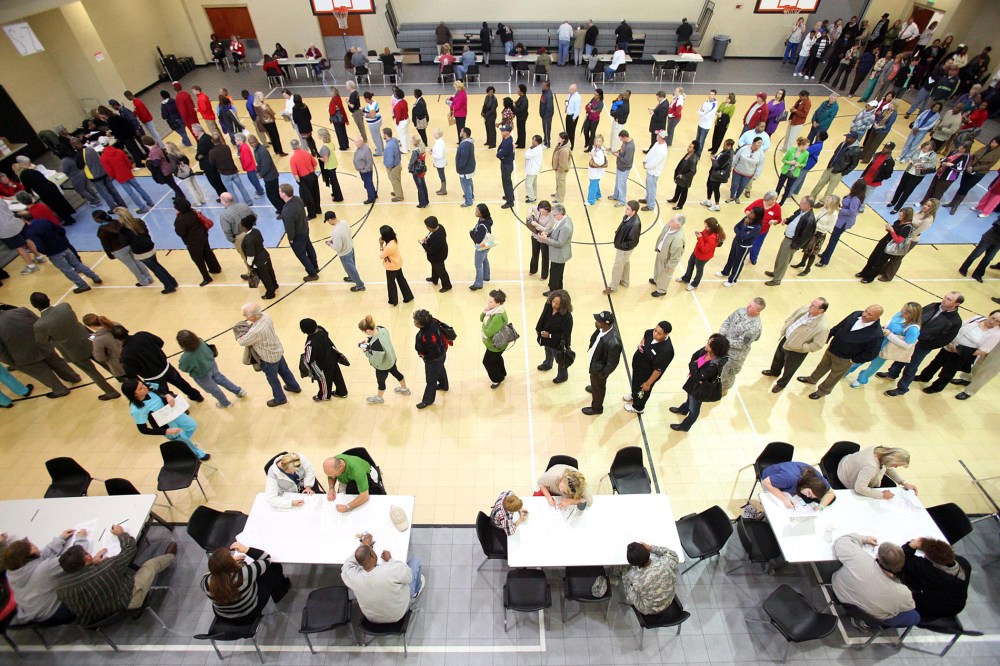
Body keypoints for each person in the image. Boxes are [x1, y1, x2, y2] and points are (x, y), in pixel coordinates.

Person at [57, 525, 176, 627]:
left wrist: (92, 565)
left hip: (95, 621)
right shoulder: (107, 567)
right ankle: (169, 556)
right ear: (87, 557)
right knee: (150, 565)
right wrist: (121, 533)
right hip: (125, 604)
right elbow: (130, 549)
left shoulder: (61, 589)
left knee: (116, 578)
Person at [29, 293, 120, 401]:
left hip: (71, 351)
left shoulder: (39, 325)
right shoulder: (65, 307)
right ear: (48, 299)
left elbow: (42, 341)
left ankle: (111, 392)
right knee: (106, 363)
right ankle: (122, 378)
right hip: (87, 341)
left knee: (92, 372)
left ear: (34, 306)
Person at [797, 305, 884, 399]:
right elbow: (840, 325)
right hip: (832, 349)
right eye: (866, 311)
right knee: (822, 366)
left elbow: (871, 354)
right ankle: (812, 379)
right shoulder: (856, 314)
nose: (865, 314)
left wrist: (853, 360)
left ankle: (822, 391)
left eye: (869, 314)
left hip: (845, 359)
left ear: (876, 318)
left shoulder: (876, 334)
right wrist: (829, 335)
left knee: (834, 376)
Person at [832, 534, 918, 629]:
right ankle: (867, 624)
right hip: (870, 614)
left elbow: (842, 541)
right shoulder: (903, 593)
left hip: (839, 593)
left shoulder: (860, 558)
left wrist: (864, 539)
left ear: (878, 556)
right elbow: (908, 607)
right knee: (914, 616)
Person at [342, 532, 423, 626]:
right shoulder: (390, 570)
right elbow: (408, 577)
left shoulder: (353, 577)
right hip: (398, 614)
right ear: (373, 555)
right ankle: (415, 592)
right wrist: (391, 560)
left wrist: (363, 547)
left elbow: (346, 566)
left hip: (372, 619)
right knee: (414, 563)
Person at [4, 530, 80, 625]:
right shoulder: (44, 569)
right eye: (31, 546)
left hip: (34, 612)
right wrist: (81, 539)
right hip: (56, 612)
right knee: (82, 574)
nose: (35, 545)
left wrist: (60, 539)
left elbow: (41, 556)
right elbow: (77, 558)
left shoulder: (13, 571)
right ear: (27, 556)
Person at [121, 377, 209, 459]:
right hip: (166, 425)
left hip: (172, 412)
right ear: (134, 394)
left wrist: (167, 395)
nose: (145, 387)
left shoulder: (148, 386)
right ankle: (198, 454)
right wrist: (166, 431)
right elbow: (143, 429)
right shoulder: (137, 410)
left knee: (192, 425)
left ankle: (182, 444)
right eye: (140, 388)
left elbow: (161, 389)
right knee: (182, 437)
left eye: (142, 384)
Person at [202, 543, 290, 623]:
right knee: (272, 568)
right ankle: (279, 593)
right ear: (229, 564)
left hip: (224, 617)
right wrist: (246, 550)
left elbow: (212, 573)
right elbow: (266, 559)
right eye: (231, 557)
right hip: (249, 614)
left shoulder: (205, 582)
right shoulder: (243, 575)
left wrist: (230, 564)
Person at [916, 310, 1000, 393]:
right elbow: (960, 327)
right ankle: (924, 377)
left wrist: (959, 351)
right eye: (993, 318)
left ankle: (936, 387)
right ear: (989, 315)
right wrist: (949, 341)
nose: (993, 322)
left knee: (948, 371)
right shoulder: (977, 318)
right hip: (950, 345)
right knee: (936, 362)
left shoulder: (996, 334)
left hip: (962, 354)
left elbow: (983, 351)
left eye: (997, 321)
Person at [236, 303, 301, 408]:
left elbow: (242, 342)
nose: (245, 317)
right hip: (277, 350)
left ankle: (280, 398)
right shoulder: (266, 316)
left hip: (268, 358)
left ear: (252, 317)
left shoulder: (255, 331)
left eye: (245, 315)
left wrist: (240, 334)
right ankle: (294, 386)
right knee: (285, 371)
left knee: (273, 379)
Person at [763, 298, 830, 394]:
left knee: (789, 368)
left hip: (797, 350)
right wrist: (787, 325)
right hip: (786, 339)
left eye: (814, 306)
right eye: (811, 303)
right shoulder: (804, 309)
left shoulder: (822, 327)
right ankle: (774, 371)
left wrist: (801, 347)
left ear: (821, 311)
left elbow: (817, 345)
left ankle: (781, 384)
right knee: (778, 357)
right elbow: (792, 317)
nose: (810, 306)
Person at [848, 302, 922, 389]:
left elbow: (907, 346)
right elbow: (891, 321)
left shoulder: (913, 329)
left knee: (874, 366)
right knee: (862, 357)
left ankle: (861, 379)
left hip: (886, 347)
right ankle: (847, 371)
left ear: (913, 315)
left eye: (906, 312)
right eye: (903, 310)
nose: (902, 313)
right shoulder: (900, 314)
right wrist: (885, 327)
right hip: (878, 341)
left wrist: (890, 335)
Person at [23, 214, 101, 294]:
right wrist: (62, 240)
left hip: (54, 253)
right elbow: (60, 230)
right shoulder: (44, 221)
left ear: (23, 220)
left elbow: (39, 246)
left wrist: (46, 252)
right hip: (63, 246)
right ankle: (95, 277)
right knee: (77, 264)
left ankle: (83, 286)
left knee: (68, 270)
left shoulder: (31, 231)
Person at [670, 334, 729, 432]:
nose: (706, 345)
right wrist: (694, 367)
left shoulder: (714, 365)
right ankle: (683, 410)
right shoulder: (706, 350)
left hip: (700, 388)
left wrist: (693, 365)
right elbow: (694, 356)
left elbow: (697, 374)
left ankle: (685, 426)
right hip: (695, 382)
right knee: (689, 397)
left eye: (709, 344)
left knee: (694, 408)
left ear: (715, 350)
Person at [901, 537, 970, 620]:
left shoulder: (929, 571)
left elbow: (903, 559)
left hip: (933, 610)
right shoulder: (963, 563)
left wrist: (912, 545)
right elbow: (942, 553)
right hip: (957, 604)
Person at [176, 329, 245, 409]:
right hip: (212, 366)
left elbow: (183, 368)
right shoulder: (200, 341)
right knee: (222, 379)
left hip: (201, 375)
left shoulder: (185, 357)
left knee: (214, 389)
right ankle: (239, 391)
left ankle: (225, 403)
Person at [92, 210, 154, 287]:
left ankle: (143, 281)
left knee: (131, 265)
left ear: (98, 219)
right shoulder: (117, 222)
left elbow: (105, 244)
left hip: (118, 250)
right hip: (129, 245)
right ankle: (149, 278)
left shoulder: (102, 230)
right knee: (138, 262)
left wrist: (109, 254)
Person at [624, 321, 674, 415]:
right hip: (638, 367)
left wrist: (648, 383)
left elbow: (658, 370)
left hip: (648, 374)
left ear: (666, 334)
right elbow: (644, 338)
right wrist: (641, 343)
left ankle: (638, 407)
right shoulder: (649, 332)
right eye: (655, 330)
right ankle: (634, 395)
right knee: (636, 382)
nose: (655, 334)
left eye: (659, 333)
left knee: (643, 388)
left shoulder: (667, 351)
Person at [357, 315, 409, 405]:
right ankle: (405, 389)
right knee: (397, 373)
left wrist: (365, 351)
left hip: (383, 367)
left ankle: (379, 398)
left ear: (368, 331)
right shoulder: (381, 328)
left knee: (381, 382)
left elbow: (376, 361)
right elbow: (377, 337)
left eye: (364, 332)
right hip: (391, 359)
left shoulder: (376, 345)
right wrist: (368, 338)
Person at [618, 542, 679, 615]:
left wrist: (625, 574)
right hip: (668, 600)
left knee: (625, 575)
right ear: (647, 552)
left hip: (649, 609)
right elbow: (673, 555)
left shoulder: (635, 579)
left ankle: (616, 576)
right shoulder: (665, 563)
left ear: (633, 564)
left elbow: (630, 590)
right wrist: (651, 548)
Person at [718, 298, 765, 392]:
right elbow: (728, 320)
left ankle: (723, 390)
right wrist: (722, 333)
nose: (747, 306)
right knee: (719, 368)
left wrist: (724, 341)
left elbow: (741, 344)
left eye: (751, 306)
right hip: (724, 346)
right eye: (749, 303)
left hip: (734, 355)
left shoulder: (754, 327)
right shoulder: (741, 311)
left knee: (727, 374)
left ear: (757, 311)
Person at [856, 208, 913, 284]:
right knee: (872, 258)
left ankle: (870, 277)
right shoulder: (898, 221)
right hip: (884, 241)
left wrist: (892, 231)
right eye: (900, 214)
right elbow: (892, 230)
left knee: (879, 263)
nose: (899, 216)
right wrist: (889, 228)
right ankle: (864, 272)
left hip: (889, 246)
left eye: (902, 216)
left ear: (907, 216)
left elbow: (898, 240)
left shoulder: (907, 227)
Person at [944, 137, 1000, 213]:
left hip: (978, 173)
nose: (992, 143)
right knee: (962, 186)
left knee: (965, 188)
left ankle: (955, 205)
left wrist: (973, 169)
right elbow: (972, 156)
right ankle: (952, 203)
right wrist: (969, 166)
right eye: (992, 141)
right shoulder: (984, 148)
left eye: (995, 143)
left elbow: (988, 166)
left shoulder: (997, 154)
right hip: (968, 169)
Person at [583, 310, 622, 416]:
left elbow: (612, 364)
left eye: (599, 321)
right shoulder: (602, 329)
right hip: (596, 363)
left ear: (606, 323)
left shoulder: (613, 342)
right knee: (595, 383)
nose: (596, 322)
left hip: (599, 369)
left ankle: (597, 408)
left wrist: (601, 375)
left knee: (599, 387)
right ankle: (594, 386)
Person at [277, 184, 319, 282]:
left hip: (297, 235)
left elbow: (289, 227)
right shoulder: (298, 199)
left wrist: (290, 238)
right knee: (309, 248)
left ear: (284, 194)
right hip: (304, 229)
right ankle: (315, 267)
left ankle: (312, 274)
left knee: (301, 254)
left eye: (279, 191)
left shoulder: (287, 211)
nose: (278, 193)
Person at [300, 318, 348, 401]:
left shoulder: (310, 344)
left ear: (304, 331)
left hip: (322, 365)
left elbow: (309, 359)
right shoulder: (321, 329)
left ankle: (324, 396)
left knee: (324, 380)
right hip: (332, 357)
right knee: (337, 375)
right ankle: (342, 392)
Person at [717, 206, 763, 287]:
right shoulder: (746, 218)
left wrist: (744, 226)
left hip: (744, 246)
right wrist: (741, 232)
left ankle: (732, 280)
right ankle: (725, 272)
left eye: (752, 213)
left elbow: (744, 237)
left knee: (738, 262)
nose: (749, 213)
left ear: (757, 216)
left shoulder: (756, 227)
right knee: (731, 257)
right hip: (736, 241)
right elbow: (736, 227)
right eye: (750, 211)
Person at [412, 309, 449, 410]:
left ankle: (427, 400)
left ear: (421, 324)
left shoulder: (427, 335)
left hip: (434, 360)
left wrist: (426, 357)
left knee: (431, 381)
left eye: (415, 321)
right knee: (440, 368)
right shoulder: (433, 321)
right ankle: (443, 385)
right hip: (442, 353)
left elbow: (435, 353)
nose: (414, 322)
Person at [889, 142, 939, 214]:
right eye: (923, 148)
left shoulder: (933, 155)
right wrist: (910, 160)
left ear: (931, 149)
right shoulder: (918, 150)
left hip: (918, 175)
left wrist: (920, 164)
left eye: (926, 149)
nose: (924, 150)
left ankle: (897, 208)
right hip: (909, 171)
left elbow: (932, 166)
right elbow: (909, 156)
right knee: (900, 187)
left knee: (907, 191)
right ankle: (893, 202)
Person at [536, 289, 573, 384]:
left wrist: (550, 335)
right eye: (553, 302)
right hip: (546, 337)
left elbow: (565, 335)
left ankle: (563, 376)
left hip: (558, 341)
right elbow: (542, 317)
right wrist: (538, 330)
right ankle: (548, 364)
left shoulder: (567, 317)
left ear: (564, 304)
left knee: (560, 359)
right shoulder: (548, 305)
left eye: (557, 303)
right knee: (547, 350)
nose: (554, 305)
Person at [678, 217, 724, 291]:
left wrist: (699, 238)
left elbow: (704, 249)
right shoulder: (707, 230)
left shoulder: (713, 237)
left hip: (703, 257)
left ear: (711, 227)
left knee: (699, 269)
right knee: (690, 263)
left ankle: (695, 283)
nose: (705, 228)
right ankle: (686, 278)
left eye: (706, 226)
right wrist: (700, 234)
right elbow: (703, 234)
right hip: (696, 251)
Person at [761, 462, 834, 508]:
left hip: (785, 481)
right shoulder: (790, 478)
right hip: (770, 480)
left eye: (811, 496)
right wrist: (785, 500)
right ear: (807, 484)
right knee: (776, 507)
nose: (808, 496)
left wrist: (820, 507)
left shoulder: (818, 479)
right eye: (809, 493)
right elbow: (766, 482)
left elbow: (830, 493)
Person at [606, 201, 641, 294]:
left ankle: (613, 287)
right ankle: (625, 281)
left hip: (624, 249)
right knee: (625, 262)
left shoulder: (635, 224)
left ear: (633, 211)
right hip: (624, 247)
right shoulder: (627, 217)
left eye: (628, 209)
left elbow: (633, 241)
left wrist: (621, 246)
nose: (626, 210)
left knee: (618, 266)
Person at [538, 203, 574, 294]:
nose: (553, 217)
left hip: (559, 254)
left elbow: (560, 243)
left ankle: (553, 291)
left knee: (555, 274)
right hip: (558, 254)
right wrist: (547, 232)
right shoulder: (562, 220)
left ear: (560, 214)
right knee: (557, 273)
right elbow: (555, 231)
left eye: (554, 215)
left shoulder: (565, 226)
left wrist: (546, 239)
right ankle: (557, 288)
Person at [480, 290, 511, 389]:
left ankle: (497, 379)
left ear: (498, 303)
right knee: (496, 358)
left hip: (495, 346)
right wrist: (484, 312)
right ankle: (502, 373)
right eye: (488, 300)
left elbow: (488, 332)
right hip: (498, 343)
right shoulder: (494, 310)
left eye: (491, 302)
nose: (488, 303)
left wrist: (483, 326)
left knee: (487, 362)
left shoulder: (497, 316)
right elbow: (482, 318)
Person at [650, 214, 686, 297]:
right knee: (658, 268)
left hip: (667, 259)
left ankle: (661, 290)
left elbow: (676, 257)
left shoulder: (678, 239)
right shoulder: (669, 226)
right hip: (661, 252)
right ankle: (656, 280)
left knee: (665, 274)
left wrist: (670, 266)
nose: (669, 220)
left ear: (678, 225)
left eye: (672, 220)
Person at [378, 225, 413, 306]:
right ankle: (408, 296)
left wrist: (380, 245)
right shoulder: (394, 240)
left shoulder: (389, 247)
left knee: (391, 283)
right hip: (397, 263)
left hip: (391, 267)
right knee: (401, 280)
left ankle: (393, 300)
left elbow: (381, 256)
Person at [960, 216, 1000, 282]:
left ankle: (977, 274)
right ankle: (963, 268)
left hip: (998, 242)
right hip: (989, 238)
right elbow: (997, 225)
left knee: (989, 258)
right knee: (976, 254)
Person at [728, 137, 766, 205]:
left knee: (742, 186)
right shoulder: (744, 148)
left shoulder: (761, 154)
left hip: (748, 174)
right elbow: (736, 157)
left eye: (761, 144)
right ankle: (731, 196)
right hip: (738, 170)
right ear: (753, 142)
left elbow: (760, 165)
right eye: (758, 143)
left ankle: (737, 197)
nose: (759, 145)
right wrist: (732, 166)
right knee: (734, 184)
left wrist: (756, 175)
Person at [469, 203, 494, 290]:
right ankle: (486, 276)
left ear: (482, 213)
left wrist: (471, 233)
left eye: (477, 211)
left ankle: (478, 283)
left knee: (478, 265)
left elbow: (478, 240)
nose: (475, 212)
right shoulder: (486, 220)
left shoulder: (482, 226)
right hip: (487, 245)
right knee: (485, 259)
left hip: (481, 247)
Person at [667, 141, 698, 209]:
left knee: (683, 192)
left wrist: (683, 176)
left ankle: (680, 205)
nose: (688, 147)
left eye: (690, 147)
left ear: (694, 149)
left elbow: (693, 172)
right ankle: (675, 199)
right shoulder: (688, 154)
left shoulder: (693, 159)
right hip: (680, 176)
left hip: (685, 179)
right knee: (678, 188)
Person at [455, 127, 476, 208]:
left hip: (465, 169)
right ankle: (471, 195)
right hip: (470, 167)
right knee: (469, 182)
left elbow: (463, 159)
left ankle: (468, 201)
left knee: (466, 185)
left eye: (461, 131)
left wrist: (459, 168)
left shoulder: (465, 145)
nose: (460, 132)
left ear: (464, 134)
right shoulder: (469, 142)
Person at [353, 135, 377, 205]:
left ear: (361, 142)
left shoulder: (366, 150)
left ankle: (371, 198)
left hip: (366, 171)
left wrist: (365, 170)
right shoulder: (359, 148)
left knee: (368, 184)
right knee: (368, 184)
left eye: (357, 142)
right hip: (362, 170)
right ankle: (374, 194)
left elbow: (369, 162)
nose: (356, 143)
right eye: (355, 142)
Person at [496, 124, 515, 209]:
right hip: (507, 163)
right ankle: (509, 195)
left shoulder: (507, 143)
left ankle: (510, 201)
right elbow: (499, 149)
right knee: (507, 181)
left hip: (506, 164)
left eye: (503, 131)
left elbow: (500, 154)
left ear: (508, 132)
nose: (502, 132)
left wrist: (500, 153)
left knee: (506, 182)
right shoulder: (508, 139)